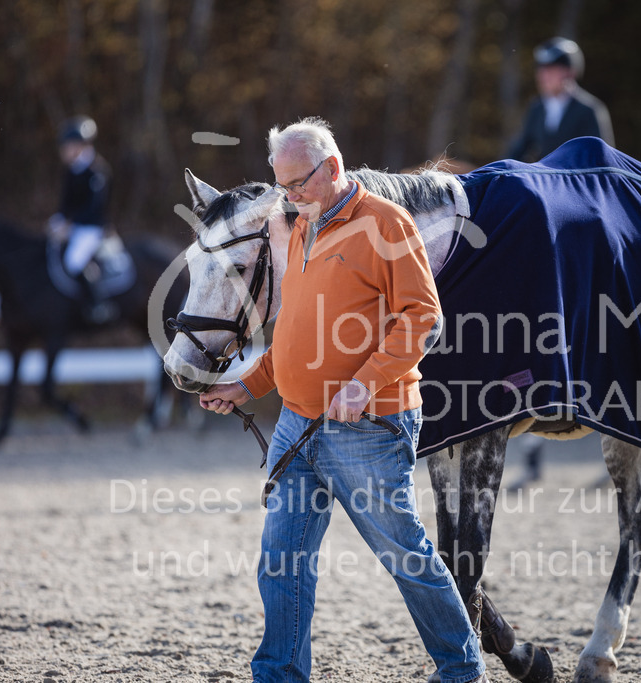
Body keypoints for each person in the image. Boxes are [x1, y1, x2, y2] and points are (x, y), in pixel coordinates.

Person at [198, 117, 487, 683]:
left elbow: (422, 318)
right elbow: (294, 333)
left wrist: (366, 381)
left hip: (369, 428)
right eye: (281, 185)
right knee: (281, 562)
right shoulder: (301, 225)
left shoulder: (386, 224)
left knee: (406, 557)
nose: (288, 196)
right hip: (296, 426)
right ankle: (279, 674)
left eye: (297, 183)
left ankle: (461, 668)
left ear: (332, 168)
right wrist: (247, 385)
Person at [505, 37, 615, 162]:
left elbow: (603, 158)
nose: (543, 76)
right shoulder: (537, 107)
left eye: (551, 70)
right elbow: (519, 149)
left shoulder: (589, 109)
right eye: (541, 70)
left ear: (570, 72)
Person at [50, 115, 114, 323]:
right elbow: (66, 203)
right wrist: (59, 220)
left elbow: (94, 208)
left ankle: (98, 303)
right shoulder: (72, 170)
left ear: (80, 146)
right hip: (75, 226)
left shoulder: (97, 171)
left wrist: (69, 224)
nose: (63, 151)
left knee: (74, 261)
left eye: (67, 146)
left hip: (92, 228)